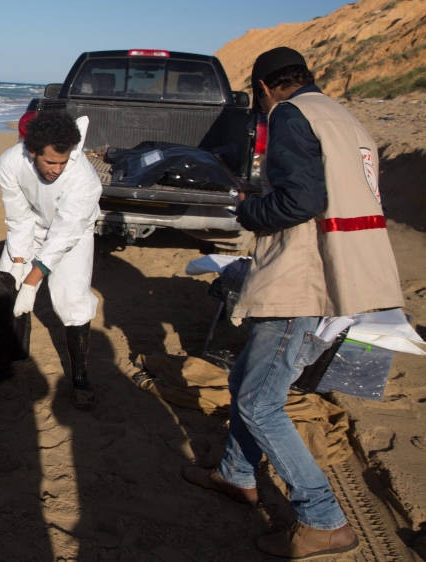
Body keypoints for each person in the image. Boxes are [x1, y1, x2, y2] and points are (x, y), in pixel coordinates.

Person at [182, 47, 403, 559]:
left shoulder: (290, 115)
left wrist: (252, 209)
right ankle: (237, 475)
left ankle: (323, 518)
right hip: (344, 268)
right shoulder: (343, 117)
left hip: (308, 276)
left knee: (262, 402)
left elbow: (301, 199)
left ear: (263, 89)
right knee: (245, 381)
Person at [0, 111, 102, 405]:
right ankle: (3, 363)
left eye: (63, 162)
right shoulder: (10, 162)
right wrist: (19, 262)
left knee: (71, 301)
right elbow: (18, 217)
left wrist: (33, 280)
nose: (57, 169)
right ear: (32, 152)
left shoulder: (83, 178)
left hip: (73, 234)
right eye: (50, 162)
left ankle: (79, 378)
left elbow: (66, 232)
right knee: (5, 288)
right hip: (33, 228)